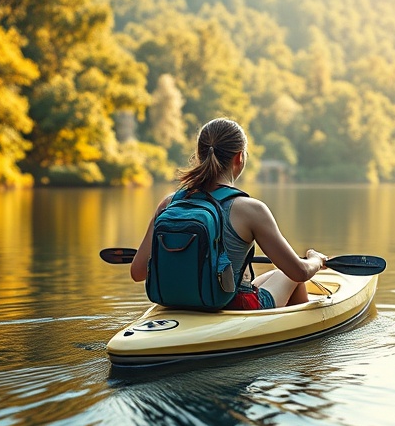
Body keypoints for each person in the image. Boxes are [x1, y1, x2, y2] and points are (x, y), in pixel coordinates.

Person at [130, 117, 327, 309]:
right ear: (239, 157)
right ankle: (300, 333)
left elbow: (138, 272)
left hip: (172, 303)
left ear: (199, 156)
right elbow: (299, 272)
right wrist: (315, 260)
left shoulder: (169, 203)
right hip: (232, 304)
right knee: (289, 275)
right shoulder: (251, 210)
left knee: (276, 276)